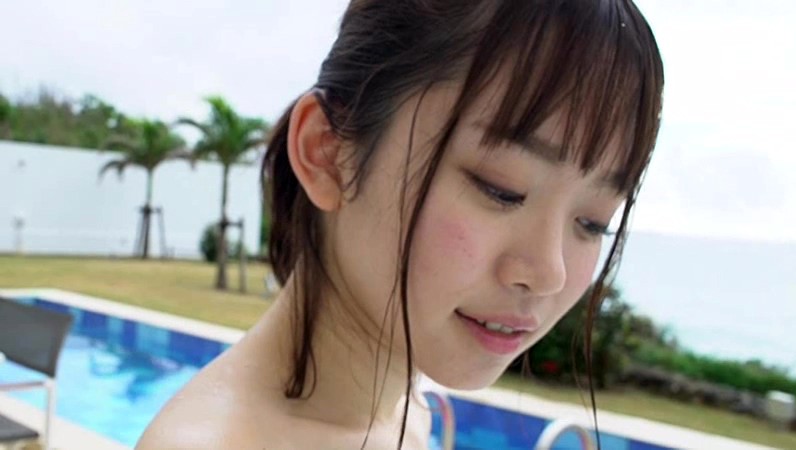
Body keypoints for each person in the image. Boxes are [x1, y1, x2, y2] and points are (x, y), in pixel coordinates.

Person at [137, 0, 664, 448]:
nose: (549, 272)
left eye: (593, 223)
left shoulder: (407, 414)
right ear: (326, 153)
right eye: (500, 189)